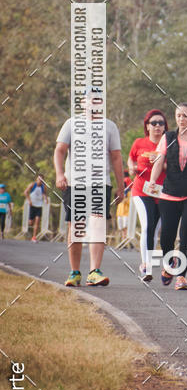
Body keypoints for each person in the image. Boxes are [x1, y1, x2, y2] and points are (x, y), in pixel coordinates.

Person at [54, 95, 124, 287]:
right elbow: (60, 150)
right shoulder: (71, 123)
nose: (93, 103)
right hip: (75, 183)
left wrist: (121, 186)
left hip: (100, 183)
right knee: (76, 226)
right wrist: (60, 174)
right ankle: (74, 272)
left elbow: (116, 157)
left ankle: (94, 271)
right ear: (82, 103)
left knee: (98, 223)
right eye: (89, 100)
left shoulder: (110, 126)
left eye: (98, 100)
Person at [149, 103, 187, 292]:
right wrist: (152, 180)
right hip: (169, 193)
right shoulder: (168, 137)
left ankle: (181, 276)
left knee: (186, 234)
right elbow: (159, 162)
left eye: (185, 115)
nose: (181, 119)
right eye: (178, 115)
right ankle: (169, 266)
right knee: (166, 235)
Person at [128, 109, 168, 281]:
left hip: (162, 192)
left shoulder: (170, 144)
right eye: (154, 123)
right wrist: (131, 167)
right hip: (141, 190)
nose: (157, 126)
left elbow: (175, 167)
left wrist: (161, 163)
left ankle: (149, 261)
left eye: (161, 123)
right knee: (146, 226)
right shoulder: (139, 143)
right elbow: (131, 158)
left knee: (155, 230)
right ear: (147, 126)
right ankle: (146, 266)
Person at [24, 175, 48, 241]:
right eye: (39, 179)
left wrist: (46, 199)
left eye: (41, 180)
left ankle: (34, 237)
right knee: (31, 223)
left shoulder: (44, 187)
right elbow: (26, 192)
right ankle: (31, 222)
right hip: (32, 205)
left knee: (37, 222)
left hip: (39, 206)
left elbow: (45, 194)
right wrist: (29, 200)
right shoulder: (32, 185)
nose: (40, 181)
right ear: (37, 179)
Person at [116, 176, 132, 242]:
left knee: (126, 227)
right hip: (119, 213)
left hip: (126, 213)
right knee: (121, 228)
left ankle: (126, 241)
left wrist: (124, 198)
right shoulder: (119, 192)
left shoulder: (129, 193)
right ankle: (123, 240)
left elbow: (130, 202)